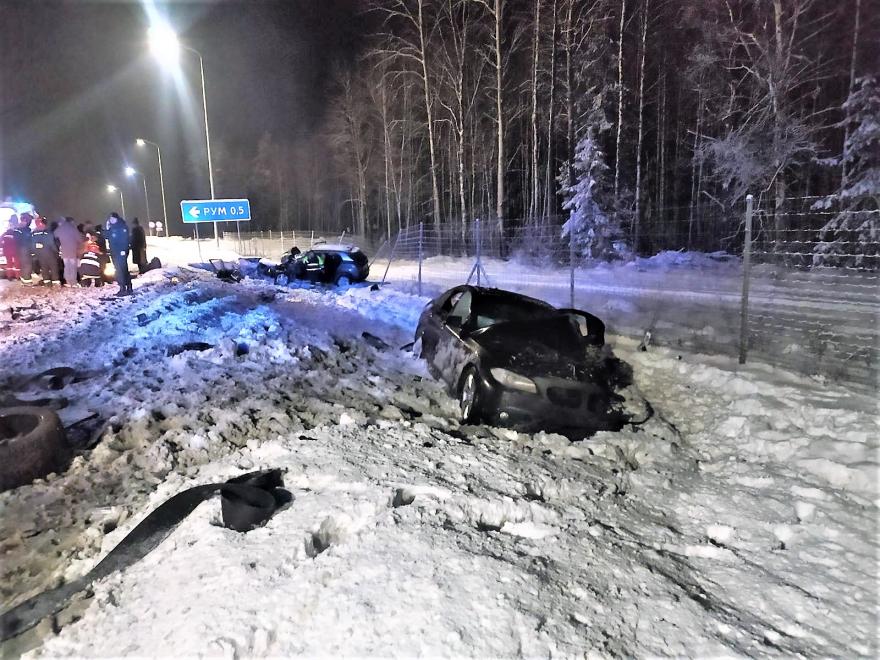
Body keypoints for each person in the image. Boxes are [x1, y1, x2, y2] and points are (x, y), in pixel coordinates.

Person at [105, 212, 132, 295]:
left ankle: (123, 288)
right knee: (123, 269)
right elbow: (106, 236)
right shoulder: (113, 227)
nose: (110, 220)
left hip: (120, 252)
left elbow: (125, 240)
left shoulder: (121, 227)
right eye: (110, 219)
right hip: (115, 252)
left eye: (112, 219)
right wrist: (107, 228)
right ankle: (128, 287)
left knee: (120, 270)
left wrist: (123, 250)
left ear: (116, 219)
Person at [31, 216, 61, 285]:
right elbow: (52, 244)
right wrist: (56, 251)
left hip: (39, 253)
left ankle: (46, 282)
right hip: (49, 253)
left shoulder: (33, 233)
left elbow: (32, 245)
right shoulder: (48, 232)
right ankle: (55, 282)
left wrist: (36, 252)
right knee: (53, 267)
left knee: (44, 267)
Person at [55, 215, 84, 286]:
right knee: (73, 267)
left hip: (64, 252)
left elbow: (55, 236)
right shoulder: (73, 228)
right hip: (72, 251)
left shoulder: (59, 229)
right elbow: (80, 239)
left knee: (67, 266)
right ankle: (73, 282)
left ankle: (68, 281)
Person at [14, 212, 34, 285]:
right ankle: (27, 280)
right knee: (27, 264)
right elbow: (24, 239)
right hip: (24, 249)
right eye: (29, 220)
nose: (30, 222)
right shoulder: (23, 229)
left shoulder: (22, 229)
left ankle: (24, 279)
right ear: (25, 220)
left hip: (22, 249)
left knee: (24, 264)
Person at [1, 215, 20, 280]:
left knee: (9, 264)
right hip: (15, 250)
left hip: (7, 251)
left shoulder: (5, 233)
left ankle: (9, 276)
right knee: (17, 264)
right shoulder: (17, 232)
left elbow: (1, 241)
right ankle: (17, 276)